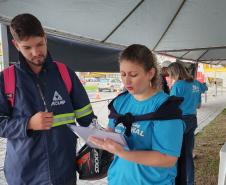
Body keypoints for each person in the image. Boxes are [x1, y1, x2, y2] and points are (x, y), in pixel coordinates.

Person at [0, 13, 96, 185]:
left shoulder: (65, 73)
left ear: (45, 38)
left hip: (64, 173)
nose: (36, 52)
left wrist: (104, 137)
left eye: (39, 44)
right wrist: (28, 124)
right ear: (15, 45)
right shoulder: (5, 80)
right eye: (27, 47)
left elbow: (87, 117)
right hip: (24, 176)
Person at [89, 44, 185, 185]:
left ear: (150, 73)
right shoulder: (120, 102)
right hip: (118, 179)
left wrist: (123, 153)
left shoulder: (165, 108)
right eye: (123, 74)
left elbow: (167, 158)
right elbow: (111, 133)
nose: (126, 81)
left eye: (133, 75)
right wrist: (100, 139)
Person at [167, 62, 201, 185]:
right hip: (193, 119)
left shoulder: (178, 85)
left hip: (180, 121)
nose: (170, 77)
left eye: (170, 74)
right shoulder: (196, 83)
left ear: (174, 72)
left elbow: (171, 106)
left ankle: (177, 181)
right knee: (187, 154)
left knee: (174, 153)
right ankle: (190, 181)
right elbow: (199, 105)